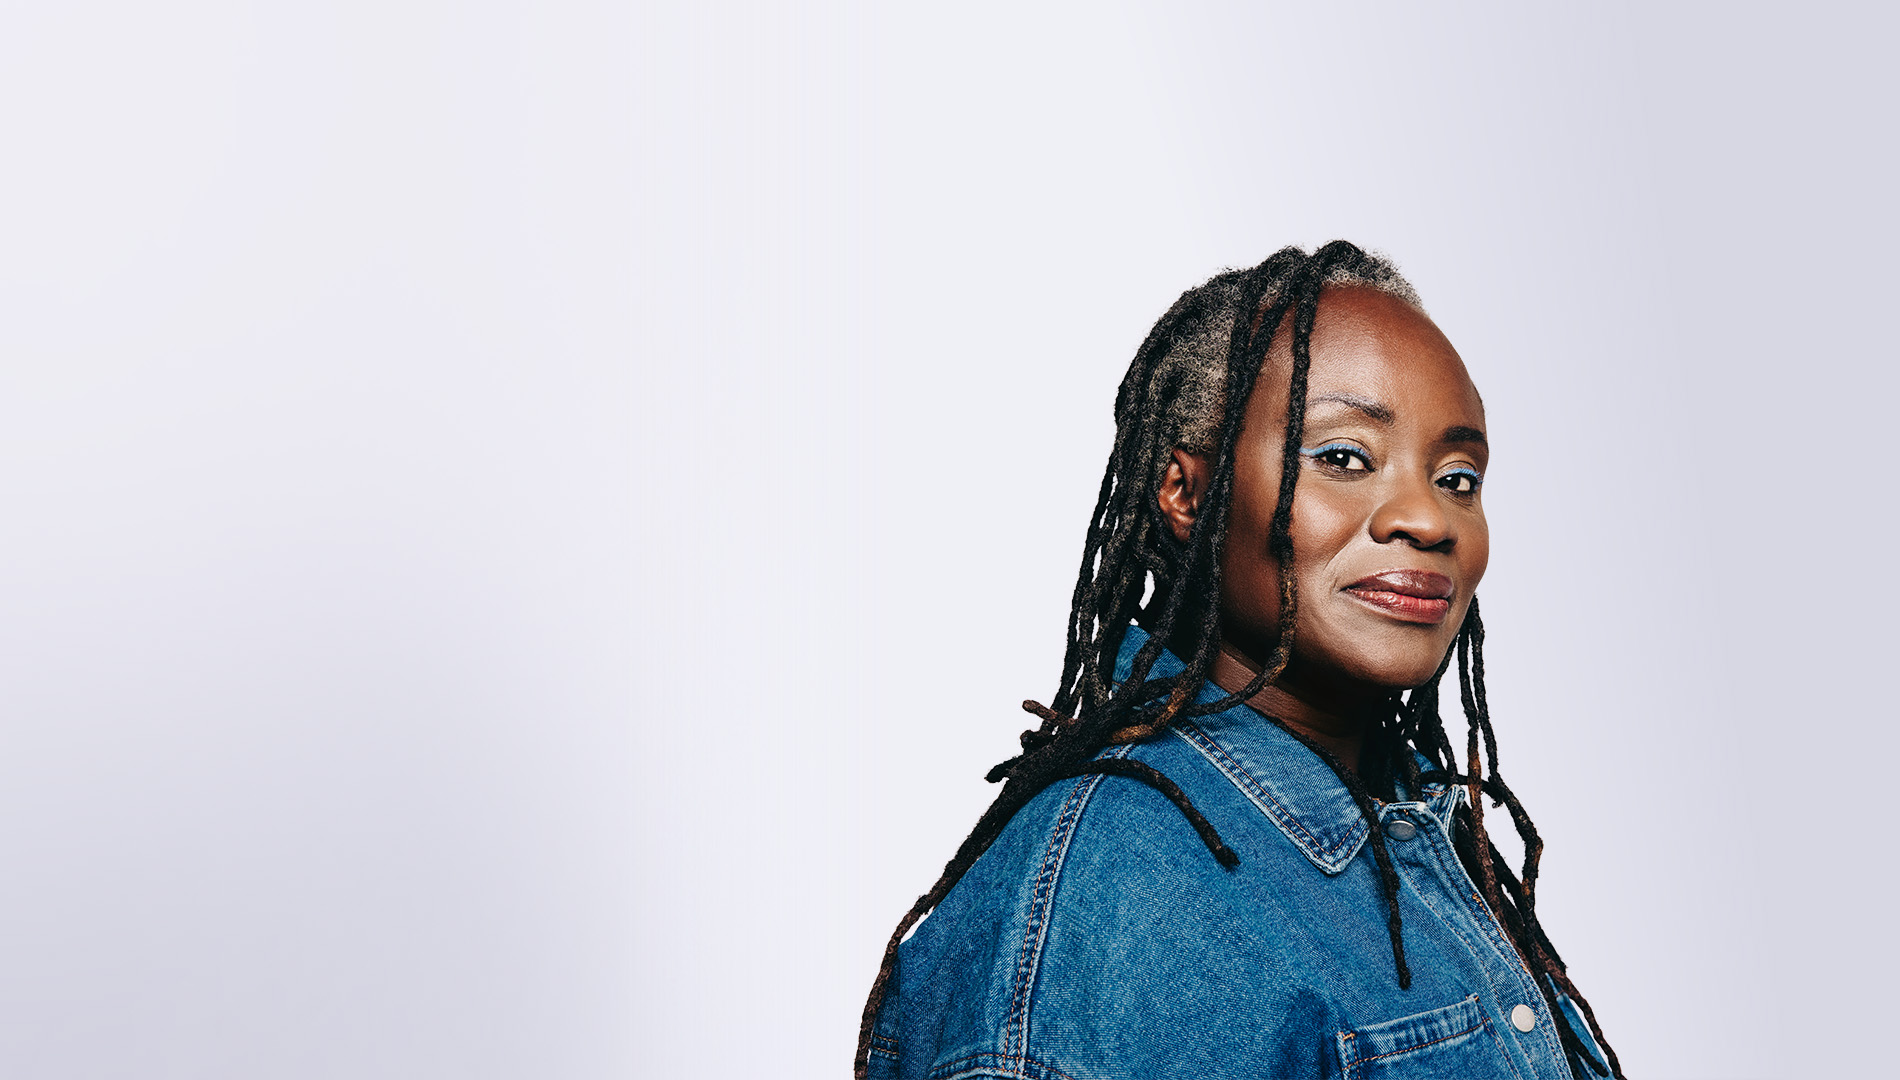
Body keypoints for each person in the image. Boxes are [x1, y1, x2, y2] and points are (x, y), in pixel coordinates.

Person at [857, 242, 1623, 1080]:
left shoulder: (1415, 836)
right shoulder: (1116, 891)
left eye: (1458, 477)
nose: (1428, 519)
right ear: (1188, 494)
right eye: (1342, 458)